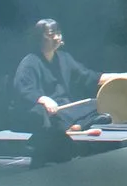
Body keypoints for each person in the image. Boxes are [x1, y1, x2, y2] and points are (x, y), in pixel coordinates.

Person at [12, 19, 106, 160]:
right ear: (39, 37)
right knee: (42, 114)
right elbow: (24, 88)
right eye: (51, 34)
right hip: (46, 110)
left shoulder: (64, 58)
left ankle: (73, 127)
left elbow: (88, 76)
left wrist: (120, 77)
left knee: (96, 103)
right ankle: (67, 129)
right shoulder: (30, 61)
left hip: (64, 109)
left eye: (58, 33)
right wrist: (43, 99)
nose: (56, 37)